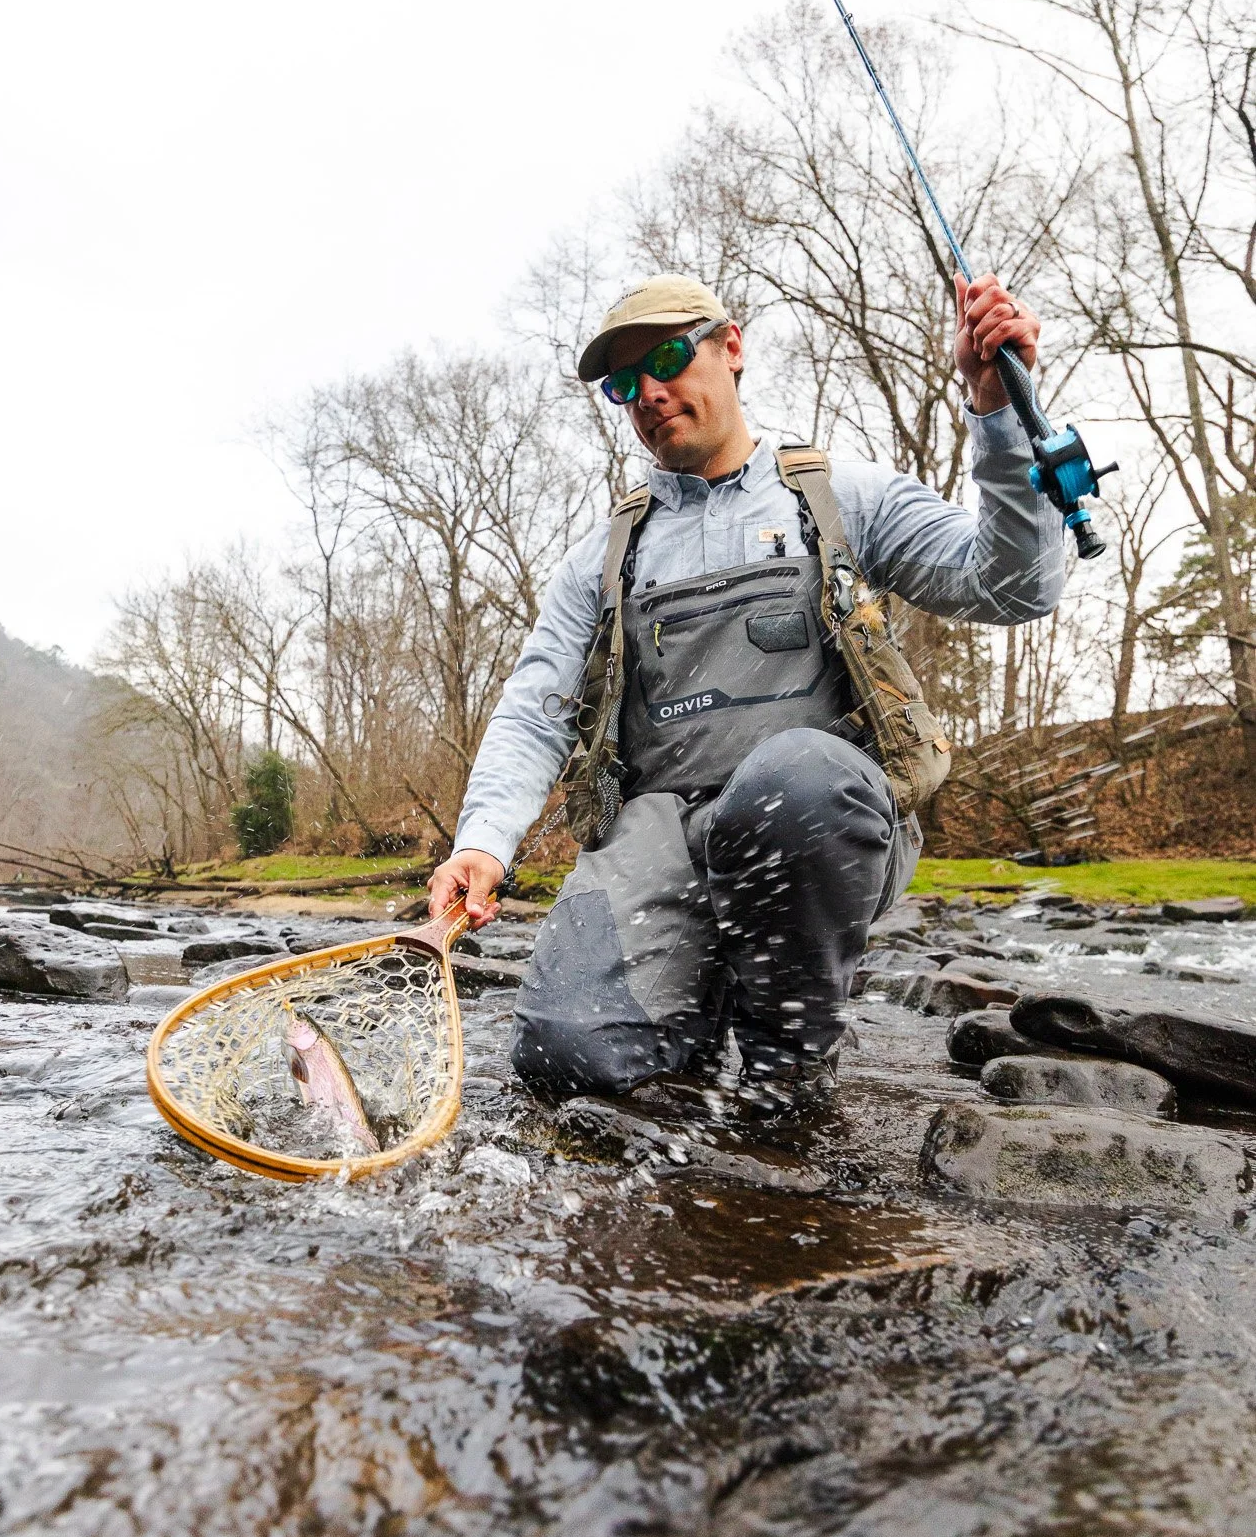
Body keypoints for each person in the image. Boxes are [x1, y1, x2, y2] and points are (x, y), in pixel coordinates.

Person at [428, 272, 1064, 1105]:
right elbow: (533, 704)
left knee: (794, 776)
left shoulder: (842, 498)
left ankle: (786, 1068)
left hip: (815, 817)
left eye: (665, 357)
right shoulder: (601, 555)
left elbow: (1012, 588)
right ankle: (689, 1013)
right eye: (625, 383)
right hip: (660, 830)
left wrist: (997, 414)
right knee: (567, 1061)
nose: (649, 393)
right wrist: (482, 842)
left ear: (731, 347)